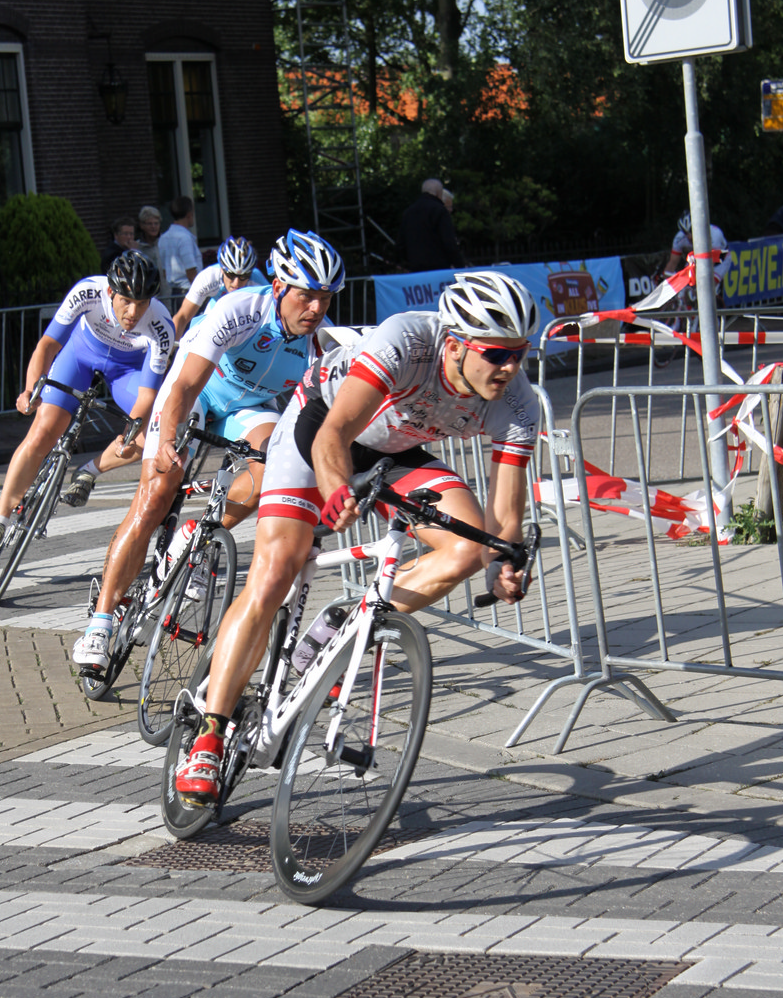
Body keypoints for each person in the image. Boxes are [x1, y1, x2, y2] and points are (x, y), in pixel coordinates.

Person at [173, 269, 540, 806]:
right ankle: (209, 734)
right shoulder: (407, 341)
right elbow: (335, 433)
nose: (510, 368)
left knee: (469, 547)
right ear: (456, 345)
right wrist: (336, 489)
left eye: (519, 354)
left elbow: (505, 514)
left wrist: (501, 565)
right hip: (318, 427)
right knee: (275, 572)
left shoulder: (518, 403)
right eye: (497, 354)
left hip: (395, 451)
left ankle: (344, 625)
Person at [72, 230, 346, 676]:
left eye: (326, 298)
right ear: (279, 287)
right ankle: (100, 623)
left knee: (275, 466)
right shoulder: (240, 311)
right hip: (198, 393)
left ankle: (197, 533)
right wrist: (166, 443)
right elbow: (183, 385)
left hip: (247, 407)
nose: (316, 308)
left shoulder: (321, 342)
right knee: (155, 496)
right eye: (307, 295)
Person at [0, 253, 174, 555]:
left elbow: (147, 395)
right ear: (110, 292)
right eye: (126, 301)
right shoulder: (88, 292)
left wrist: (128, 435)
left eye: (142, 303)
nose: (133, 312)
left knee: (153, 435)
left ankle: (90, 471)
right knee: (43, 431)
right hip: (80, 356)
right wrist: (30, 390)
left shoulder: (161, 324)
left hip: (127, 371)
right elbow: (48, 345)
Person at [172, 236, 263, 340]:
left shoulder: (258, 282)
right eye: (231, 275)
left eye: (244, 276)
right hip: (213, 325)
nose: (236, 283)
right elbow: (182, 317)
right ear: (222, 269)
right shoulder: (208, 277)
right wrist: (171, 348)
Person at [396, 178, 464, 272]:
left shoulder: (408, 212)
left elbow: (401, 243)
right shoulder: (440, 211)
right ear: (438, 193)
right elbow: (449, 242)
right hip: (439, 268)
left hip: (416, 268)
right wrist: (460, 266)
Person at [159, 196, 203, 295]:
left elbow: (165, 272)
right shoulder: (184, 238)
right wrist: (202, 292)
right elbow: (191, 272)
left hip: (174, 292)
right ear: (189, 214)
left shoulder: (164, 238)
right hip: (189, 291)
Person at [136, 205, 168, 296]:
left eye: (156, 223)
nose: (153, 227)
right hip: (148, 294)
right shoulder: (137, 247)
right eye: (149, 224)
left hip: (167, 293)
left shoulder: (166, 242)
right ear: (142, 225)